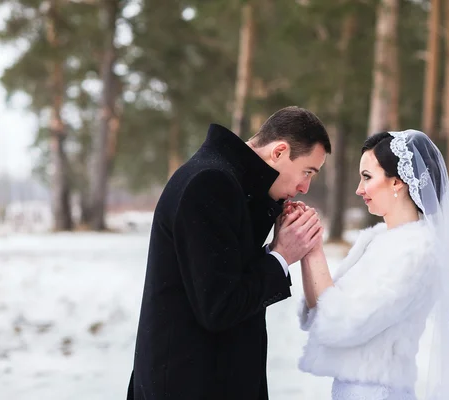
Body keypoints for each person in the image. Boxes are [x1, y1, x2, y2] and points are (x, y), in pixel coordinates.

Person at [127, 106, 331, 400]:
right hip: (189, 384)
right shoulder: (210, 182)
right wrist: (282, 255)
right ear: (279, 152)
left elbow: (228, 269)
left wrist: (275, 219)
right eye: (307, 172)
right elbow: (219, 306)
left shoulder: (227, 179)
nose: (304, 187)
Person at [295, 130, 449, 400]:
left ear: (397, 183)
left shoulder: (417, 251)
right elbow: (320, 312)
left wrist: (314, 248)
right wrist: (306, 246)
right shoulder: (377, 241)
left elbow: (343, 325)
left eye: (367, 177)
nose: (359, 189)